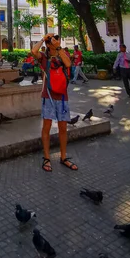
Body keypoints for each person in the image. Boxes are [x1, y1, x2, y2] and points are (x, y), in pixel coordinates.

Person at [31, 33, 77, 173]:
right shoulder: (44, 57)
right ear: (48, 44)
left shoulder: (61, 55)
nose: (56, 41)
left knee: (63, 128)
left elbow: (68, 63)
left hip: (62, 97)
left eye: (57, 39)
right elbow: (34, 51)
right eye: (53, 40)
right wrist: (43, 39)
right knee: (47, 127)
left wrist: (58, 48)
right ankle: (46, 157)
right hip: (48, 96)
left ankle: (63, 157)